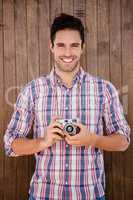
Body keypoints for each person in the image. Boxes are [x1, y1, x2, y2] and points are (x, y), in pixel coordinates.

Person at [4, 13, 130, 200]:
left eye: (74, 45)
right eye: (61, 45)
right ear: (51, 47)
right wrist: (43, 142)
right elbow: (10, 144)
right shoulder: (32, 90)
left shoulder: (105, 89)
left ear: (82, 48)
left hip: (90, 195)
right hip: (43, 195)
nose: (68, 53)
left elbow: (123, 141)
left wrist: (92, 139)